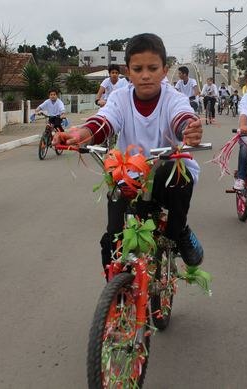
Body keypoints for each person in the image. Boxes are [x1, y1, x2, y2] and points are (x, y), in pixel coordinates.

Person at [54, 33, 205, 274]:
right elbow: (104, 121)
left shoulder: (173, 98)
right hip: (129, 176)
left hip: (166, 174)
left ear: (164, 70)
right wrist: (81, 134)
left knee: (173, 175)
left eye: (153, 68)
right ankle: (117, 296)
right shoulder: (119, 98)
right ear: (128, 71)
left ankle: (180, 232)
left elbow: (182, 117)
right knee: (112, 239)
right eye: (138, 68)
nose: (145, 75)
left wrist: (189, 129)